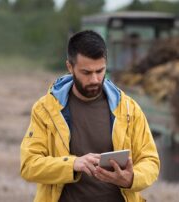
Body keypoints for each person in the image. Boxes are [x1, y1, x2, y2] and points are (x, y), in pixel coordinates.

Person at [20, 30, 160, 202]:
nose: (95, 79)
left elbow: (150, 161)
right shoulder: (45, 110)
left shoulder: (129, 109)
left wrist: (131, 178)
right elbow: (29, 165)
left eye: (100, 71)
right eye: (86, 72)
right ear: (70, 67)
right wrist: (72, 164)